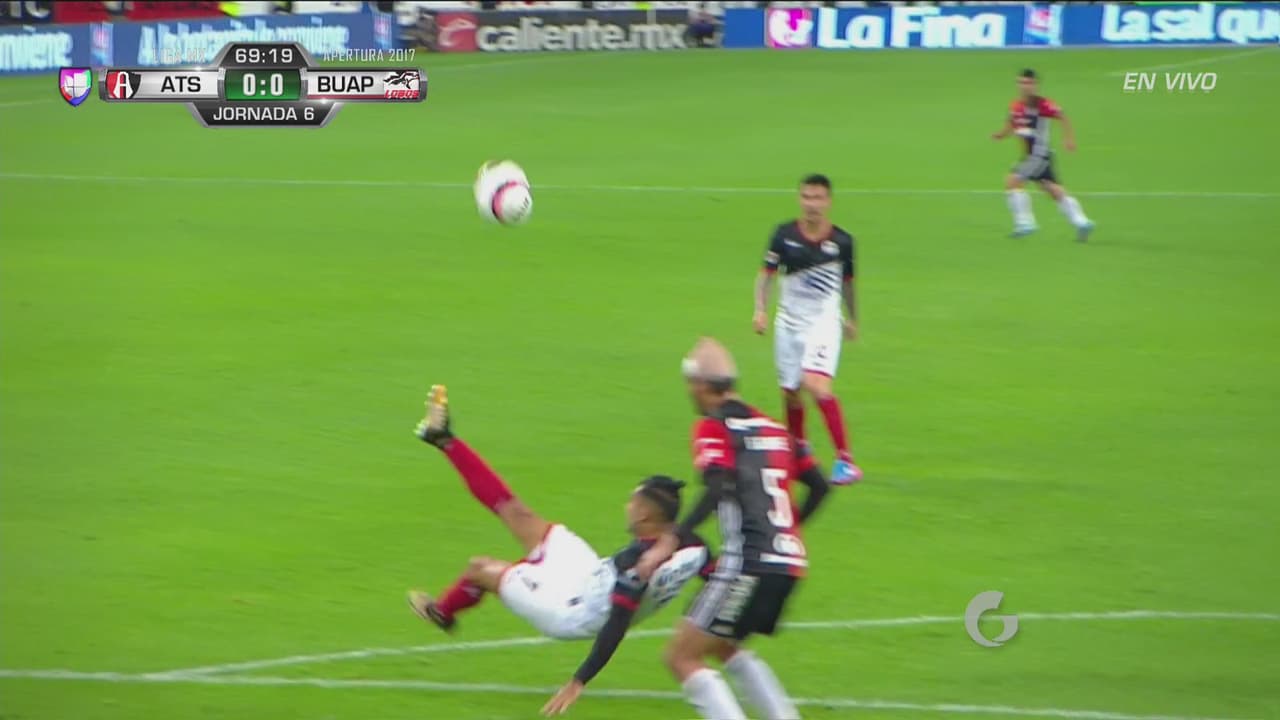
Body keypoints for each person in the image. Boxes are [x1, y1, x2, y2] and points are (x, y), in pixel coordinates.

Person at [404, 385, 713, 714]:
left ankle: (443, 613)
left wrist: (579, 681)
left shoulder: (635, 568)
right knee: (518, 513)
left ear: (644, 516)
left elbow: (615, 627)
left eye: (632, 503)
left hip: (569, 610)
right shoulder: (693, 545)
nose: (627, 507)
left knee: (480, 569)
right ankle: (444, 439)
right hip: (590, 575)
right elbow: (719, 575)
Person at [635, 338, 831, 720]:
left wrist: (669, 541)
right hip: (788, 566)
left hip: (748, 564)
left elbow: (717, 487)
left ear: (700, 385)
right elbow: (820, 486)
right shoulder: (776, 429)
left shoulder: (713, 428)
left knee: (681, 656)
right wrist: (788, 530)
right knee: (724, 645)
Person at [753, 174, 862, 485]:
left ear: (828, 201)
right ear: (799, 199)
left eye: (818, 198)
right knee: (790, 391)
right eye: (806, 197)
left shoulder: (842, 242)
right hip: (788, 323)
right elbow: (766, 275)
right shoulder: (783, 235)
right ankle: (799, 451)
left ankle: (845, 460)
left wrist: (852, 318)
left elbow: (848, 284)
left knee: (816, 384)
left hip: (823, 323)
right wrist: (760, 310)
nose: (812, 204)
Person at [992, 68, 1095, 241]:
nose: (1024, 86)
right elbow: (1012, 123)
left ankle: (1025, 223)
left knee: (1012, 181)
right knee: (1052, 189)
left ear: (1035, 85)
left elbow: (1062, 116)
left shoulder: (1042, 104)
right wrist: (1001, 134)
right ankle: (1081, 222)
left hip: (1038, 155)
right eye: (1021, 82)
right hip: (1034, 156)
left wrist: (1068, 138)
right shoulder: (1016, 106)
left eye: (1028, 83)